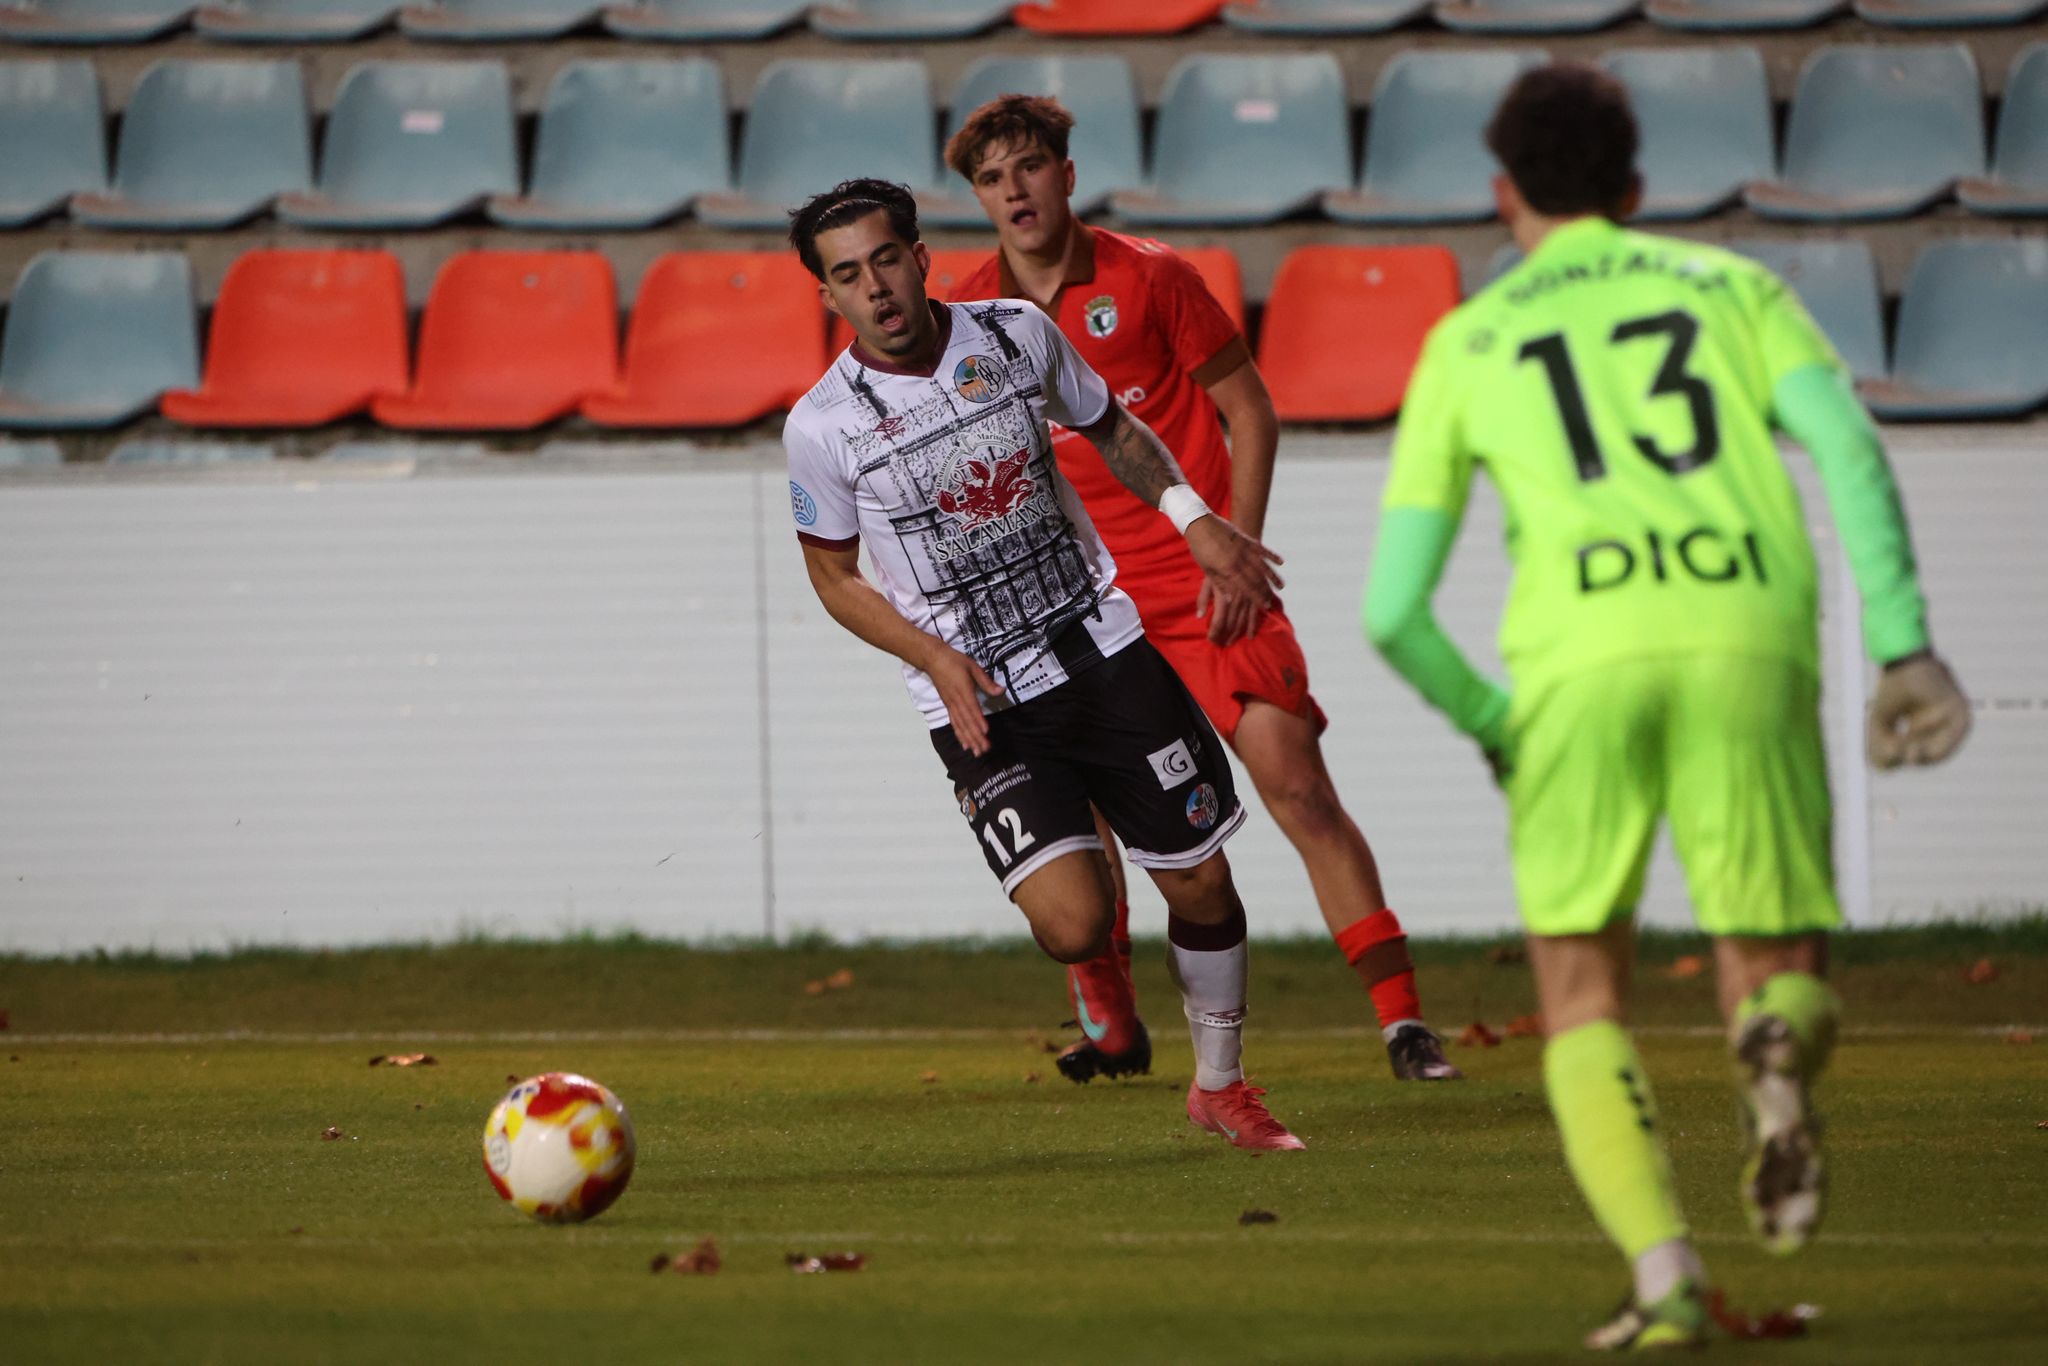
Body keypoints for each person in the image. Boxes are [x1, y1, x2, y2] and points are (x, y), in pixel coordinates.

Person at [1365, 64, 1971, 1349]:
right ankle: (1767, 1041)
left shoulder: (1467, 341)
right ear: (1635, 190)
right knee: (1773, 959)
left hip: (1576, 665)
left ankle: (1664, 1282)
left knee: (1581, 994)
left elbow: (1389, 613)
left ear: (1502, 195)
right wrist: (1904, 645)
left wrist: (1497, 721)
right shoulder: (1733, 289)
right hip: (1746, 631)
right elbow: (1851, 450)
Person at [945, 95, 1460, 1086]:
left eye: (1028, 167)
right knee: (1085, 822)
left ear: (1064, 171)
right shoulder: (968, 316)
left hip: (1199, 585)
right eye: (991, 177)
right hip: (1079, 607)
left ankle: (1402, 1022)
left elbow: (1248, 412)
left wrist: (1236, 546)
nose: (1013, 189)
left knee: (1295, 782)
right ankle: (1115, 1028)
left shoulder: (1151, 278)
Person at [783, 177, 1307, 1151]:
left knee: (1199, 878)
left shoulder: (1014, 332)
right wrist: (932, 656)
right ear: (826, 293)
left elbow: (1110, 425)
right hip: (980, 694)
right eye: (846, 275)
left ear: (919, 253)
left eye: (885, 259)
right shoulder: (820, 427)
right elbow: (831, 575)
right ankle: (1094, 972)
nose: (876, 289)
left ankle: (1221, 1085)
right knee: (1072, 923)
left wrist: (1192, 520)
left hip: (1097, 647)